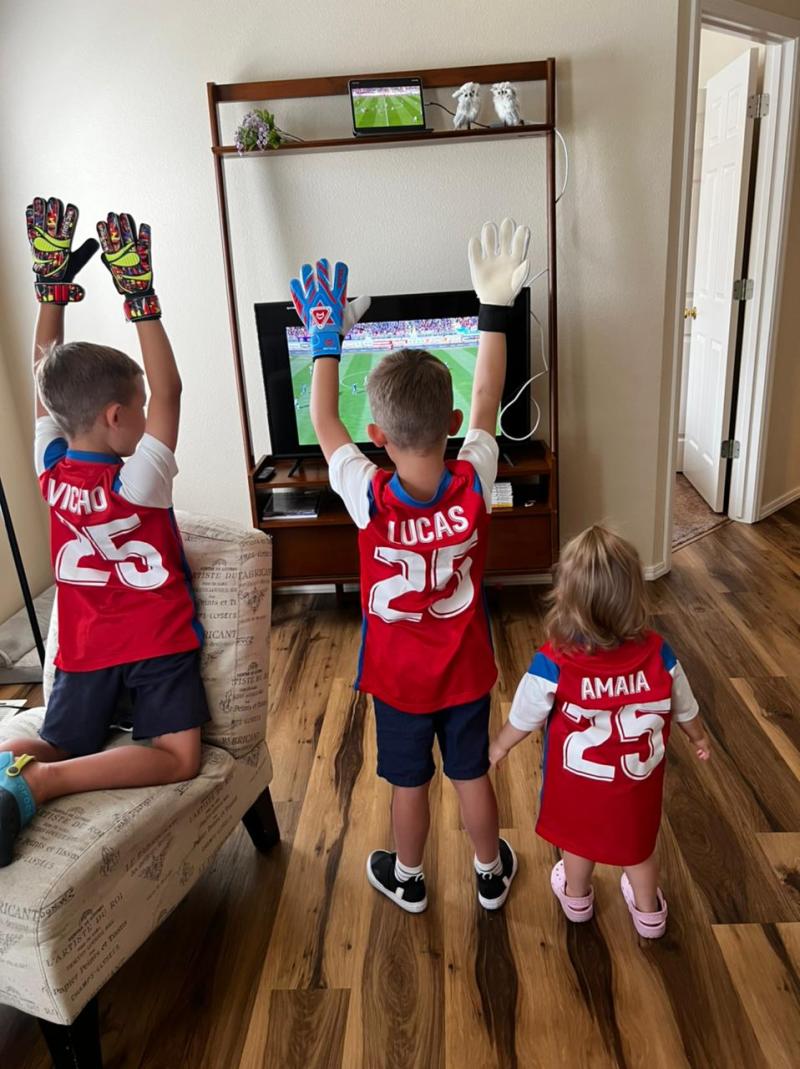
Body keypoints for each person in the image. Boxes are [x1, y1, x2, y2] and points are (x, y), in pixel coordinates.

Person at [289, 218, 530, 912]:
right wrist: (495, 308)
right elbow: (488, 394)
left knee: (408, 784)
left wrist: (325, 339)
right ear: (450, 420)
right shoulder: (475, 477)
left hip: (398, 678)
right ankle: (489, 872)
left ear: (378, 436)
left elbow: (323, 417)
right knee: (472, 772)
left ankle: (411, 877)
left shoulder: (367, 494)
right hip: (464, 671)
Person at [0, 197, 208, 867]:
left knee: (59, 735)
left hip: (84, 647)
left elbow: (45, 377)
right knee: (179, 756)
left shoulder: (50, 465)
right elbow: (172, 387)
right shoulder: (139, 479)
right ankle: (43, 784)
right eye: (140, 406)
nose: (151, 412)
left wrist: (51, 291)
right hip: (153, 641)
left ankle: (26, 767)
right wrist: (140, 297)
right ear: (116, 416)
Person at [489, 525, 711, 937]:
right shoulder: (658, 651)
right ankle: (649, 914)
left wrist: (500, 746)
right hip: (635, 787)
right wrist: (698, 737)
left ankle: (577, 899)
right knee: (639, 849)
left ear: (568, 600)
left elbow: (526, 714)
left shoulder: (554, 660)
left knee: (577, 843)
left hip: (577, 788)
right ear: (633, 598)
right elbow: (686, 704)